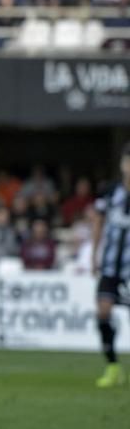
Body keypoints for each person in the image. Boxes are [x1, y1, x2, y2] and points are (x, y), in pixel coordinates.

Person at [92, 144, 130, 388]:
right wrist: (94, 252)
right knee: (103, 312)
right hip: (110, 267)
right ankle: (113, 365)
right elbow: (98, 219)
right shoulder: (110, 191)